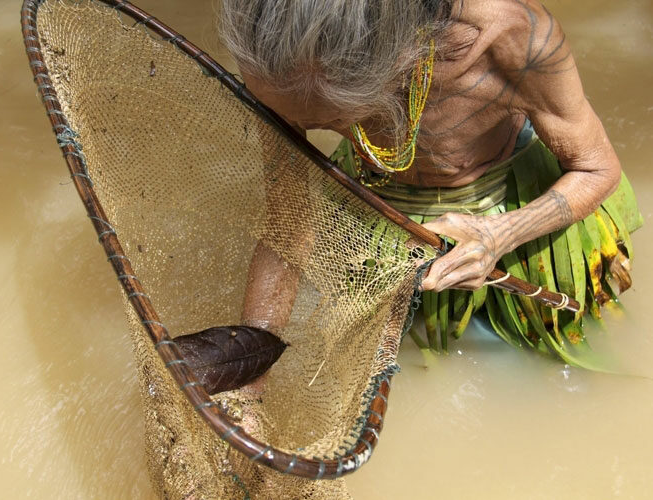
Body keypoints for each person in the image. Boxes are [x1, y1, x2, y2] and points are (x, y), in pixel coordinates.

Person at [220, 0, 642, 355]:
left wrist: (500, 235)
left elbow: (596, 167)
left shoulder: (511, 36)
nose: (310, 126)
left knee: (555, 351)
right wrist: (249, 374)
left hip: (518, 207)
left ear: (399, 66)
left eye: (332, 120)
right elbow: (289, 213)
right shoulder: (272, 52)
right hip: (376, 204)